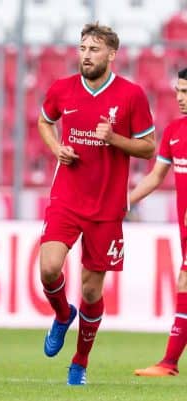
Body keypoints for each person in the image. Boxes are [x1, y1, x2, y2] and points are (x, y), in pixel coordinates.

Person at [37, 23, 156, 385]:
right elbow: (45, 120)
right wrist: (57, 148)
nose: (86, 55)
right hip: (67, 199)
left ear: (111, 55)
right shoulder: (62, 89)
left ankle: (80, 362)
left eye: (94, 49)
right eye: (83, 48)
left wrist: (115, 138)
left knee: (91, 290)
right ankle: (61, 315)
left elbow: (149, 146)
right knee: (49, 268)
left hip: (106, 207)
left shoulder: (131, 95)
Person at [132, 68, 187, 377]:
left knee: (185, 283)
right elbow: (155, 176)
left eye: (186, 92)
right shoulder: (175, 131)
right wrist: (126, 202)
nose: (179, 97)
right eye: (178, 91)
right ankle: (169, 362)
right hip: (184, 231)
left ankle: (169, 362)